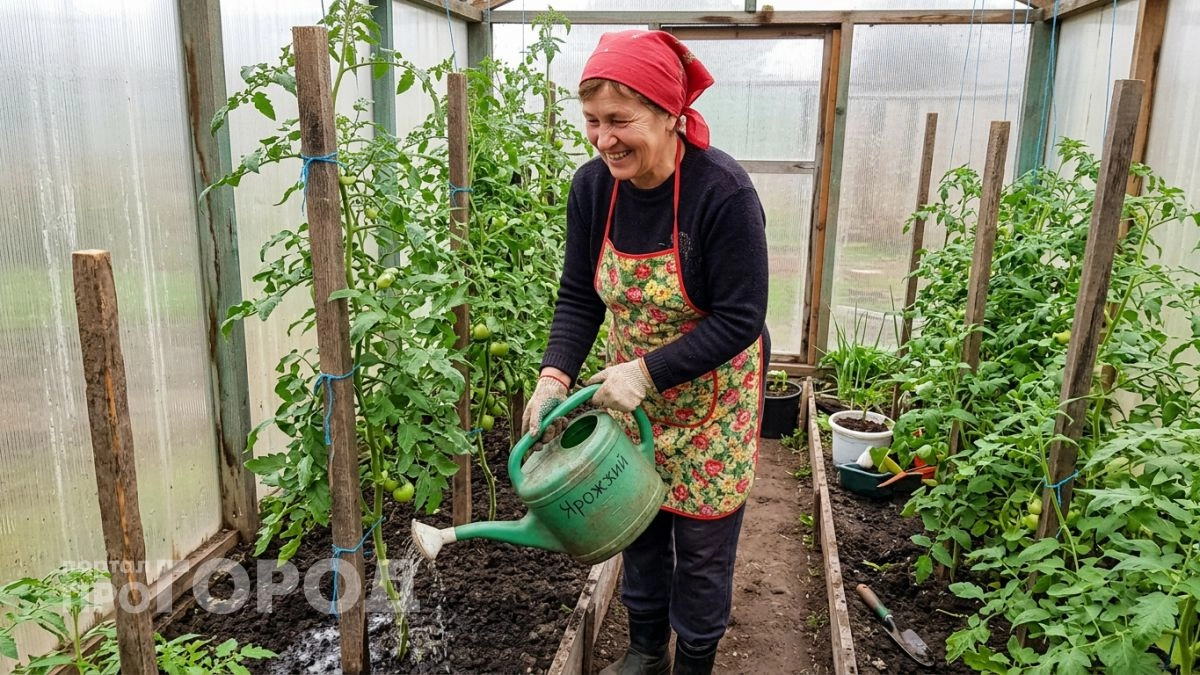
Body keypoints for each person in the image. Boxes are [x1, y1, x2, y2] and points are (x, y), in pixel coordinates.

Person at [519, 29, 771, 675]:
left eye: (619, 121)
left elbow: (742, 317)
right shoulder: (594, 188)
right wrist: (553, 376)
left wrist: (649, 370)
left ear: (667, 114)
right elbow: (580, 295)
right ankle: (642, 649)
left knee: (704, 545)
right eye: (592, 121)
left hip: (713, 399)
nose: (604, 139)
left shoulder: (722, 193)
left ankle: (694, 659)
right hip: (630, 396)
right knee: (638, 525)